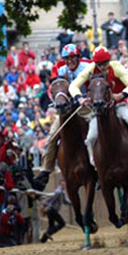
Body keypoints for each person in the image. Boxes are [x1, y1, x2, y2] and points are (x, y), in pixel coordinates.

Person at [69, 46, 128, 171]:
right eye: (100, 64)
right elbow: (73, 86)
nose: (103, 67)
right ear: (96, 63)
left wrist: (121, 95)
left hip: (118, 105)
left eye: (105, 63)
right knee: (91, 137)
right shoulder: (90, 70)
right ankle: (95, 165)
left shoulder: (116, 67)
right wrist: (80, 98)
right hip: (99, 110)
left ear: (109, 61)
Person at [34, 44, 94, 190]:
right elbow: (53, 88)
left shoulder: (88, 65)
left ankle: (99, 164)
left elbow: (94, 84)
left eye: (73, 57)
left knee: (96, 128)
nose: (70, 61)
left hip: (85, 106)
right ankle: (46, 170)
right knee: (53, 135)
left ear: (78, 57)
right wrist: (57, 101)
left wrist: (89, 98)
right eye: (67, 58)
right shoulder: (59, 68)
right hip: (67, 108)